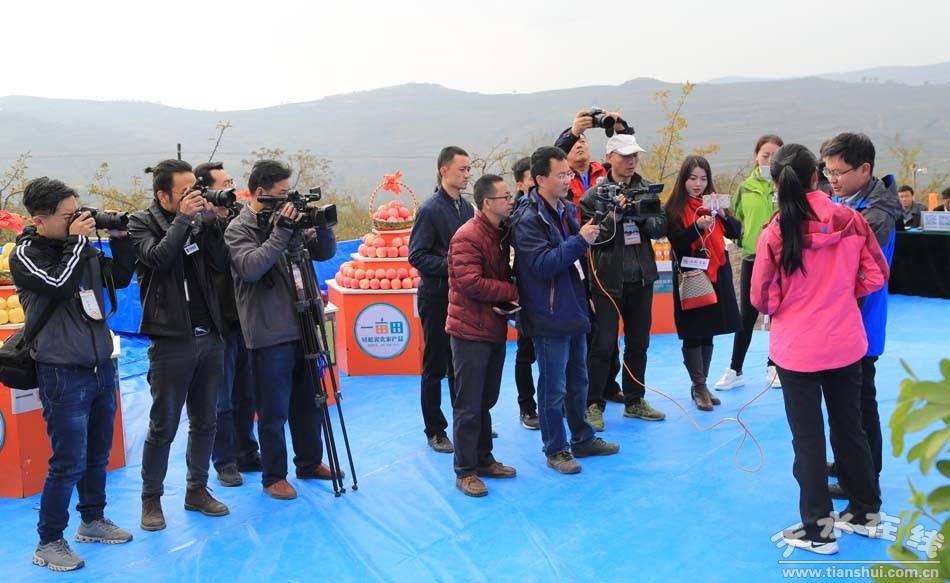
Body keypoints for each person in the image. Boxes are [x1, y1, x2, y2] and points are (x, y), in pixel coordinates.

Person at [752, 143, 887, 554]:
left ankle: (818, 531)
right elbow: (876, 274)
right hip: (845, 343)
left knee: (808, 439)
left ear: (777, 182)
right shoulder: (850, 219)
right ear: (816, 175)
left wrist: (792, 305)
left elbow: (762, 297)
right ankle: (866, 513)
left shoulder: (777, 231)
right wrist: (842, 295)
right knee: (851, 428)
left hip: (798, 350)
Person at [12, 178, 136, 571]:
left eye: (77, 213)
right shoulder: (27, 253)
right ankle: (49, 541)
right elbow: (59, 284)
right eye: (67, 217)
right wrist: (78, 242)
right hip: (62, 370)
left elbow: (119, 279)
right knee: (68, 460)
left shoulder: (80, 247)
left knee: (98, 453)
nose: (77, 221)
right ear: (39, 220)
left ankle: (92, 520)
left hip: (100, 363)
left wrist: (120, 239)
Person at [225, 159, 340, 500]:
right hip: (268, 333)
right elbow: (251, 268)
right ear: (261, 193)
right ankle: (274, 475)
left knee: (310, 402)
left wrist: (321, 225)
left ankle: (310, 461)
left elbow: (324, 252)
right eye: (282, 193)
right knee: (273, 411)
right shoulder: (238, 228)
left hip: (304, 324)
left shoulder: (288, 221)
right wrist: (282, 231)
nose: (288, 200)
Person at [129, 159, 230, 531]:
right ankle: (151, 499)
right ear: (163, 195)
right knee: (164, 425)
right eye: (185, 191)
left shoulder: (200, 220)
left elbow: (221, 263)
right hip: (171, 338)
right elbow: (159, 258)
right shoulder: (141, 222)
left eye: (195, 190)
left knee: (206, 420)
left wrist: (213, 224)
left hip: (210, 334)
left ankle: (197, 490)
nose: (193, 196)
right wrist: (184, 220)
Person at [510, 146, 620, 475]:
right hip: (547, 314)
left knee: (578, 380)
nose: (565, 180)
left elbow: (577, 261)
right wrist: (580, 240)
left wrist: (601, 225)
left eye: (568, 174)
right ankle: (555, 449)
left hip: (573, 307)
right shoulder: (527, 219)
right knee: (553, 387)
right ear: (540, 179)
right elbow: (543, 265)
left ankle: (582, 438)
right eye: (560, 175)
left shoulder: (566, 209)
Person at [820, 133, 901, 499]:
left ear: (865, 169)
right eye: (827, 171)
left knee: (859, 407)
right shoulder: (847, 200)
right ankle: (848, 463)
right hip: (845, 321)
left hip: (861, 324)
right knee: (845, 405)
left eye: (839, 172)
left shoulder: (877, 216)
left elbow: (851, 269)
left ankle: (866, 477)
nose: (832, 179)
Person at [579, 134, 668, 430]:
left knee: (638, 343)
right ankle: (593, 404)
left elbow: (660, 227)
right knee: (603, 344)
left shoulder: (647, 189)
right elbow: (595, 238)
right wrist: (614, 215)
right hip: (607, 281)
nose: (631, 161)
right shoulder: (593, 195)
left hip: (641, 278)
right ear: (610, 158)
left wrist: (640, 215)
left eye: (635, 156)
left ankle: (635, 400)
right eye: (625, 156)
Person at [447, 174, 519, 497]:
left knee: (486, 399)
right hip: (469, 331)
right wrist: (512, 291)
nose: (511, 201)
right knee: (468, 404)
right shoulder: (468, 236)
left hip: (492, 327)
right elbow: (471, 283)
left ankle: (484, 458)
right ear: (488, 203)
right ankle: (465, 471)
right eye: (505, 197)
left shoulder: (499, 233)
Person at [193, 162, 261, 488]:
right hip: (216, 323)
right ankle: (224, 461)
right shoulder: (197, 225)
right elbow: (219, 262)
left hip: (245, 318)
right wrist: (209, 220)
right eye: (224, 184)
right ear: (205, 191)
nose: (231, 189)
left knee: (247, 393)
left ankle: (247, 451)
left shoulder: (240, 216)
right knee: (221, 398)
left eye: (232, 181)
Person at [408, 146, 475, 453]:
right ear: (444, 171)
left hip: (461, 297)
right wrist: (454, 266)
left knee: (460, 364)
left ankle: (465, 422)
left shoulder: (466, 207)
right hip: (436, 298)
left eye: (468, 169)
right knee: (434, 365)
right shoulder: (430, 209)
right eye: (462, 169)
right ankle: (435, 429)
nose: (467, 174)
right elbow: (417, 256)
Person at [665, 156, 742, 411]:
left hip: (716, 272)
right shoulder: (674, 208)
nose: (698, 184)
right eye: (692, 178)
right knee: (693, 331)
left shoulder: (713, 204)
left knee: (709, 329)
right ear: (683, 180)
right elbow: (677, 243)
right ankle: (698, 386)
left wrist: (723, 215)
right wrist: (697, 227)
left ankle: (703, 384)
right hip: (692, 276)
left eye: (703, 179)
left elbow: (735, 232)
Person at [714, 135, 783, 392]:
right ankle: (735, 369)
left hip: (782, 259)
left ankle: (775, 365)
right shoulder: (745, 188)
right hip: (753, 258)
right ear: (756, 156)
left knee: (779, 314)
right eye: (765, 155)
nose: (769, 160)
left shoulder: (788, 187)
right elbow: (737, 220)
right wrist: (742, 238)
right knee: (747, 314)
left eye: (775, 156)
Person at [511, 157, 539, 430]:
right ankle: (527, 408)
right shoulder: (517, 215)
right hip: (527, 294)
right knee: (526, 353)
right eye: (532, 178)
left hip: (553, 295)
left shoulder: (557, 207)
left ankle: (557, 402)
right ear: (521, 184)